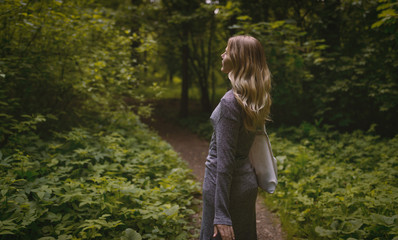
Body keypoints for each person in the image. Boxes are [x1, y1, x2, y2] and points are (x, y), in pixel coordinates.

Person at [200, 35, 272, 240]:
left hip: (223, 191)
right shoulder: (256, 98)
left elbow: (224, 162)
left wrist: (221, 214)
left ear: (239, 59)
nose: (222, 54)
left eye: (227, 51)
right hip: (246, 185)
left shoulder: (230, 102)